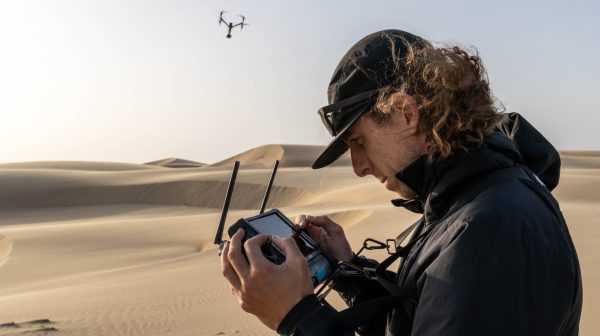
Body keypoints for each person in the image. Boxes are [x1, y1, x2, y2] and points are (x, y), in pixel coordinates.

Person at [220, 29, 583, 335]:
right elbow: (431, 313)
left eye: (358, 143)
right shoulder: (472, 200)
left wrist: (297, 318)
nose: (359, 168)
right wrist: (351, 275)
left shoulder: (490, 229)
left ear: (406, 113)